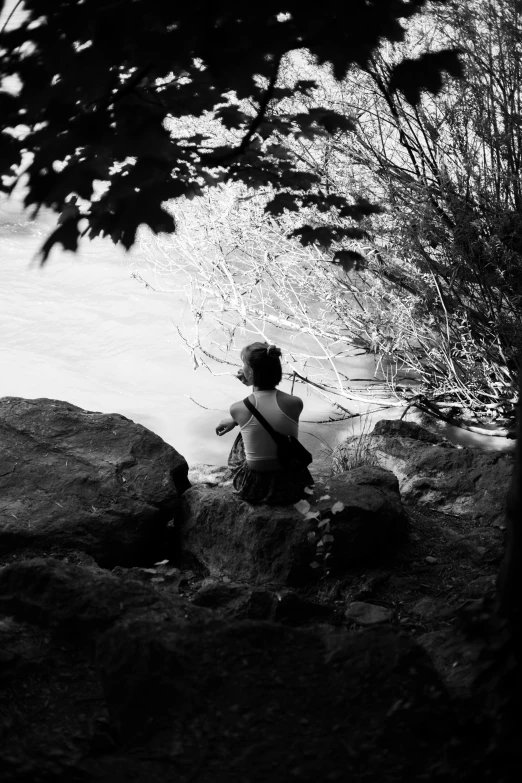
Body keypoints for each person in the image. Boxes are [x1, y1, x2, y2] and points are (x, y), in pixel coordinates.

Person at [215, 342, 313, 505]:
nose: (241, 367)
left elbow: (255, 407)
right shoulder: (295, 403)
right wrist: (252, 381)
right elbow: (266, 409)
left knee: (243, 435)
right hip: (292, 483)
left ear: (251, 373)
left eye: (243, 364)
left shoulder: (237, 408)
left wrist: (235, 420)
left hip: (253, 487)